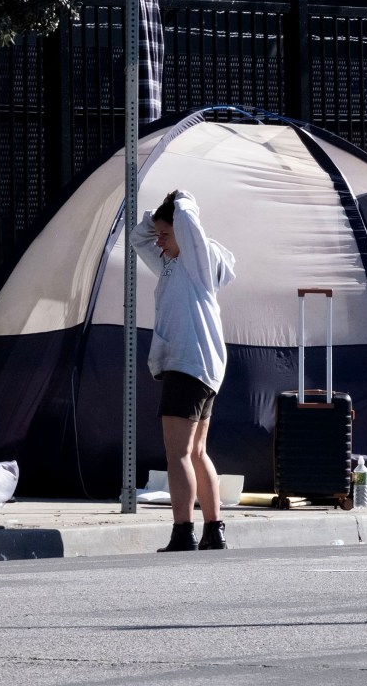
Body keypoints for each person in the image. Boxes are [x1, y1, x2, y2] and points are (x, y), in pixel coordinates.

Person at [131, 190, 236, 551]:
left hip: (188, 365)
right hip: (202, 367)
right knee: (196, 452)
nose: (158, 242)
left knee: (177, 453)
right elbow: (137, 238)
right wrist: (159, 219)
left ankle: (182, 531)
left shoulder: (195, 260)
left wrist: (183, 201)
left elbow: (189, 224)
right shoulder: (174, 264)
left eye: (165, 235)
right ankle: (213, 529)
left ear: (183, 234)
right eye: (159, 235)